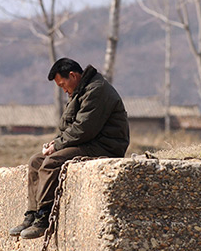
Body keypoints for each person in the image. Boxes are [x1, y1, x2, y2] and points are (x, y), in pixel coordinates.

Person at [10, 57, 129, 239]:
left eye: (62, 84)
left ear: (73, 76)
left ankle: (44, 216)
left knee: (51, 163)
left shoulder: (97, 90)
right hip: (86, 143)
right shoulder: (79, 92)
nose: (63, 89)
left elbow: (84, 129)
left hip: (104, 146)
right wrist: (55, 143)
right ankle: (32, 214)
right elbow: (69, 127)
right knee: (35, 161)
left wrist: (57, 146)